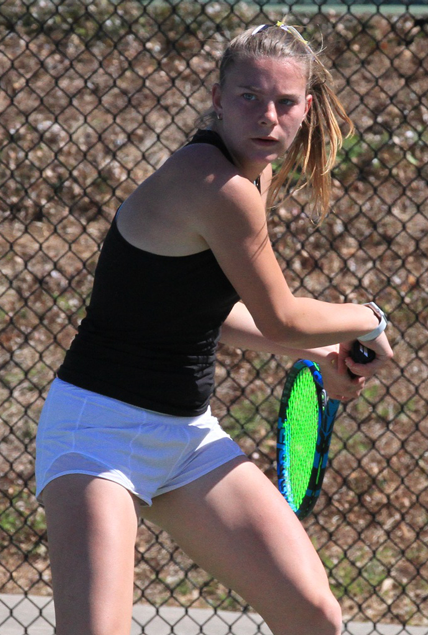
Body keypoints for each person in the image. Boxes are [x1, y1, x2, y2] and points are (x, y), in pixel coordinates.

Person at [34, 23, 395, 635]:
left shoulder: (255, 172)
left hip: (187, 439)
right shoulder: (217, 184)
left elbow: (208, 314)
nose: (268, 116)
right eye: (250, 97)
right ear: (217, 99)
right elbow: (281, 314)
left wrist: (324, 349)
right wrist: (368, 319)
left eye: (285, 103)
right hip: (96, 434)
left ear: (306, 109)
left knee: (313, 617)